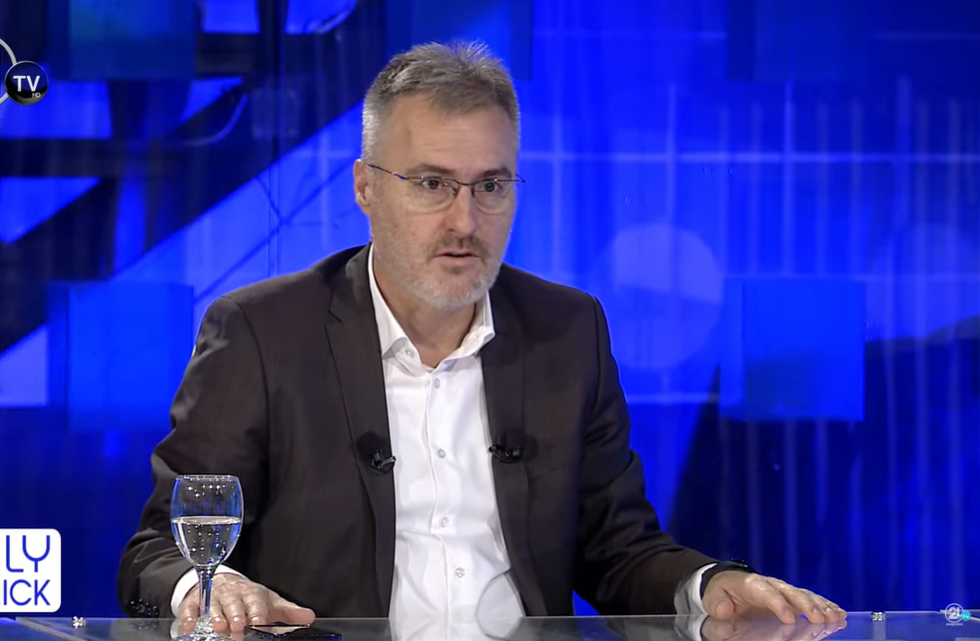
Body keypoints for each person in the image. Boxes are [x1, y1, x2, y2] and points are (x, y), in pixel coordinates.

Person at [117, 40, 847, 636]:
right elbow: (154, 554)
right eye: (432, 184)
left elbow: (616, 548)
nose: (465, 221)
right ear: (366, 187)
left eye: (491, 186)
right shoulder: (261, 332)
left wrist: (707, 585)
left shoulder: (568, 330)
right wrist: (207, 587)